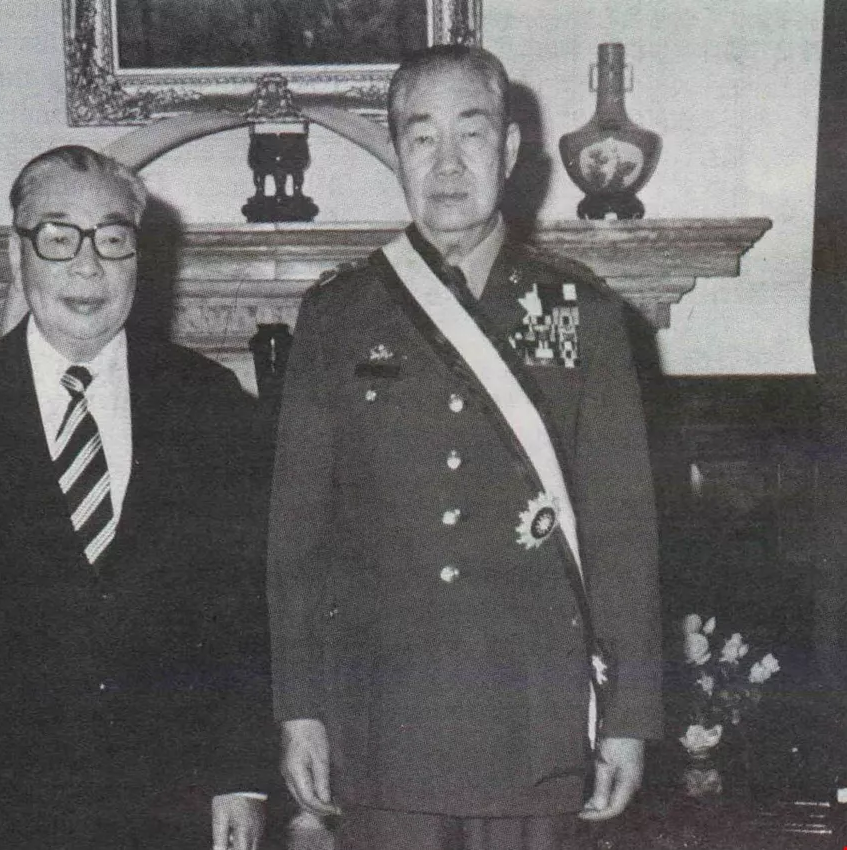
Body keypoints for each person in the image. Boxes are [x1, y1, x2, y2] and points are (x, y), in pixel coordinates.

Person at [266, 45, 661, 850]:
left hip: (536, 724)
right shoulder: (338, 315)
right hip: (383, 722)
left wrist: (628, 718)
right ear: (395, 153)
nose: (447, 164)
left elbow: (623, 530)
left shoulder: (583, 312)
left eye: (471, 134)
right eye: (422, 137)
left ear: (509, 150)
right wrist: (299, 707)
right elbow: (297, 535)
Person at [0, 145, 273, 850]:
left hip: (174, 802)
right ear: (17, 256)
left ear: (140, 258)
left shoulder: (208, 402)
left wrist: (242, 777)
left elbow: (242, 609)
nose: (88, 266)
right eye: (58, 237)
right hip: (2, 803)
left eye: (113, 239)